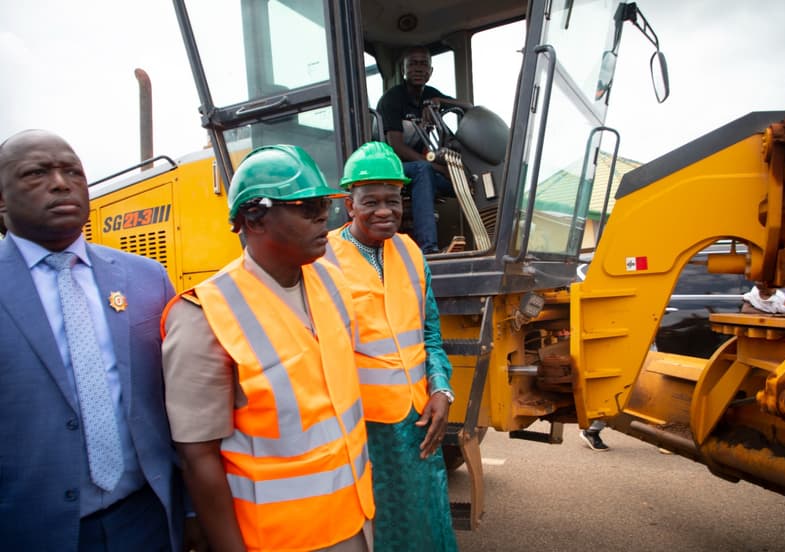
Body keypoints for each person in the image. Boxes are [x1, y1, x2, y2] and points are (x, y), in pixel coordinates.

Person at [161, 145, 375, 551]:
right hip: (279, 539)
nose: (323, 218)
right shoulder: (204, 315)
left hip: (355, 519)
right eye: (305, 207)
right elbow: (197, 457)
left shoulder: (329, 281)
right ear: (254, 219)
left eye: (323, 205)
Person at [0, 129, 187, 549]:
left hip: (147, 520)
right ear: (1, 198)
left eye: (73, 172)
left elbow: (180, 402)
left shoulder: (146, 279)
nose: (61, 183)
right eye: (36, 173)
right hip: (30, 531)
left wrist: (192, 511)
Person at [326, 142, 457, 551]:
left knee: (425, 520)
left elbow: (429, 333)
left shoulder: (411, 252)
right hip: (363, 428)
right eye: (371, 201)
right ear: (350, 204)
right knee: (377, 529)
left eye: (393, 199)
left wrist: (440, 389)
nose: (385, 210)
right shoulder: (323, 259)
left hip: (417, 420)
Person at [376, 46, 468, 254]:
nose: (419, 68)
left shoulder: (429, 94)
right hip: (390, 166)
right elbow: (397, 147)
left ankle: (482, 242)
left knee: (461, 177)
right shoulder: (392, 99)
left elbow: (467, 106)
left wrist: (439, 102)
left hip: (419, 165)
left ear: (431, 71)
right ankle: (428, 248)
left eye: (423, 64)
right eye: (413, 64)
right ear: (404, 70)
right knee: (423, 171)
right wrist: (436, 166)